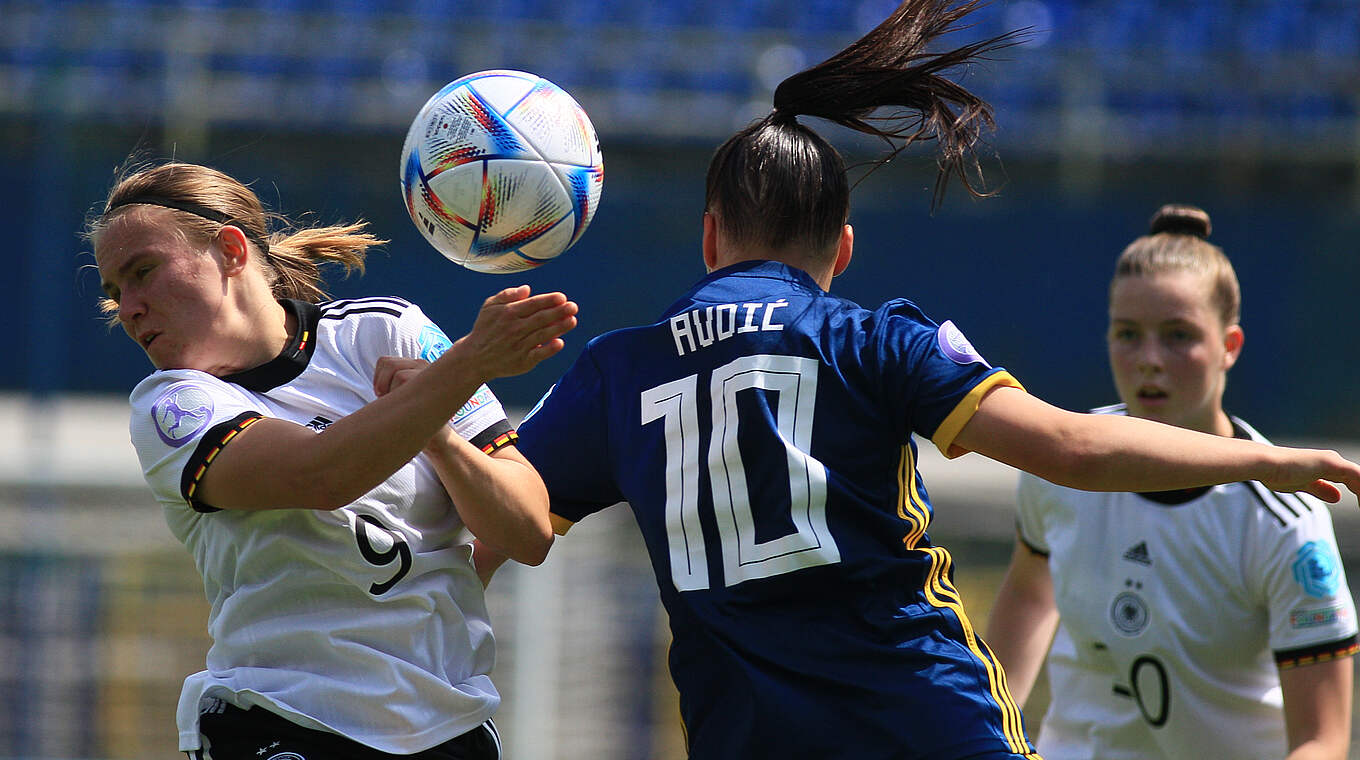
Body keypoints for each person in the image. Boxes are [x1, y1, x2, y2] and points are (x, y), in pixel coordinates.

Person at [494, 2, 1360, 758]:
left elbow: (502, 528)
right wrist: (1264, 461)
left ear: (710, 237)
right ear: (842, 249)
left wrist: (451, 389)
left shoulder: (617, 372)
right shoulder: (875, 340)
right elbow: (1070, 446)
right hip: (924, 725)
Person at [85, 160, 579, 760]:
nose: (128, 308)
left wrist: (440, 437)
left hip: (448, 727)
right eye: (115, 292)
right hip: (278, 721)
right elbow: (320, 475)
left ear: (231, 251)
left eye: (143, 272)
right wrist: (466, 366)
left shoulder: (385, 332)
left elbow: (528, 532)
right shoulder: (171, 405)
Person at [984, 205, 1357, 759]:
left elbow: (1321, 740)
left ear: (1230, 347)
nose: (1149, 360)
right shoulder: (1061, 467)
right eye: (1128, 334)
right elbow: (1030, 594)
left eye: (1178, 336)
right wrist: (983, 736)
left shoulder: (1285, 524)